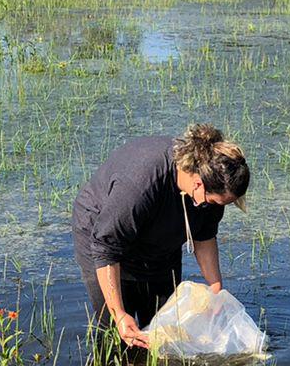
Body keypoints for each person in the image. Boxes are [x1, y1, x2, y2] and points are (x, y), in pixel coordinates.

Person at [73, 125, 250, 349]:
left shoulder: (211, 187)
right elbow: (106, 247)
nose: (215, 208)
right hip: (104, 236)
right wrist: (118, 314)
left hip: (159, 239)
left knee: (164, 330)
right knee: (115, 335)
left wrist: (216, 289)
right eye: (214, 202)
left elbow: (204, 236)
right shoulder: (141, 183)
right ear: (198, 183)